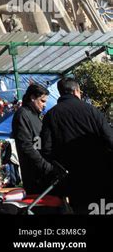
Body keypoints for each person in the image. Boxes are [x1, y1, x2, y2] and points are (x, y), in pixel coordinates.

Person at [41, 77, 113, 213]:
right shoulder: (91, 110)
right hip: (100, 172)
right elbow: (109, 138)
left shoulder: (51, 116)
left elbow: (46, 149)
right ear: (76, 91)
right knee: (104, 208)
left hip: (73, 178)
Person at [11, 83, 54, 194]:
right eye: (42, 101)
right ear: (33, 97)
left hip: (42, 173)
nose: (44, 105)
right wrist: (46, 166)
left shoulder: (36, 116)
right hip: (34, 175)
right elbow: (26, 146)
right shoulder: (23, 114)